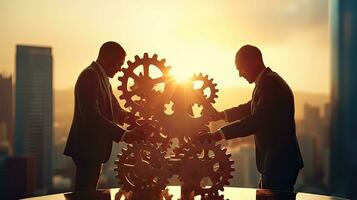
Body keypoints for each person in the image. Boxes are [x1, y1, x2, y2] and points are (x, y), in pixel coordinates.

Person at [197, 45, 304, 191]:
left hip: (279, 162)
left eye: (241, 68)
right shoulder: (267, 81)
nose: (240, 74)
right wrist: (221, 115)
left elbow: (257, 120)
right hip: (278, 161)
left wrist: (217, 135)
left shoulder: (269, 83)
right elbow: (250, 107)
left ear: (254, 61)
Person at [64, 41, 146, 191]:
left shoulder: (103, 79)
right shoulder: (90, 76)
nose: (121, 69)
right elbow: (91, 116)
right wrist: (124, 134)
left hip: (93, 148)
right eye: (119, 64)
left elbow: (115, 109)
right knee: (86, 193)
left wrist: (131, 119)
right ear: (108, 58)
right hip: (87, 149)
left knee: (88, 190)